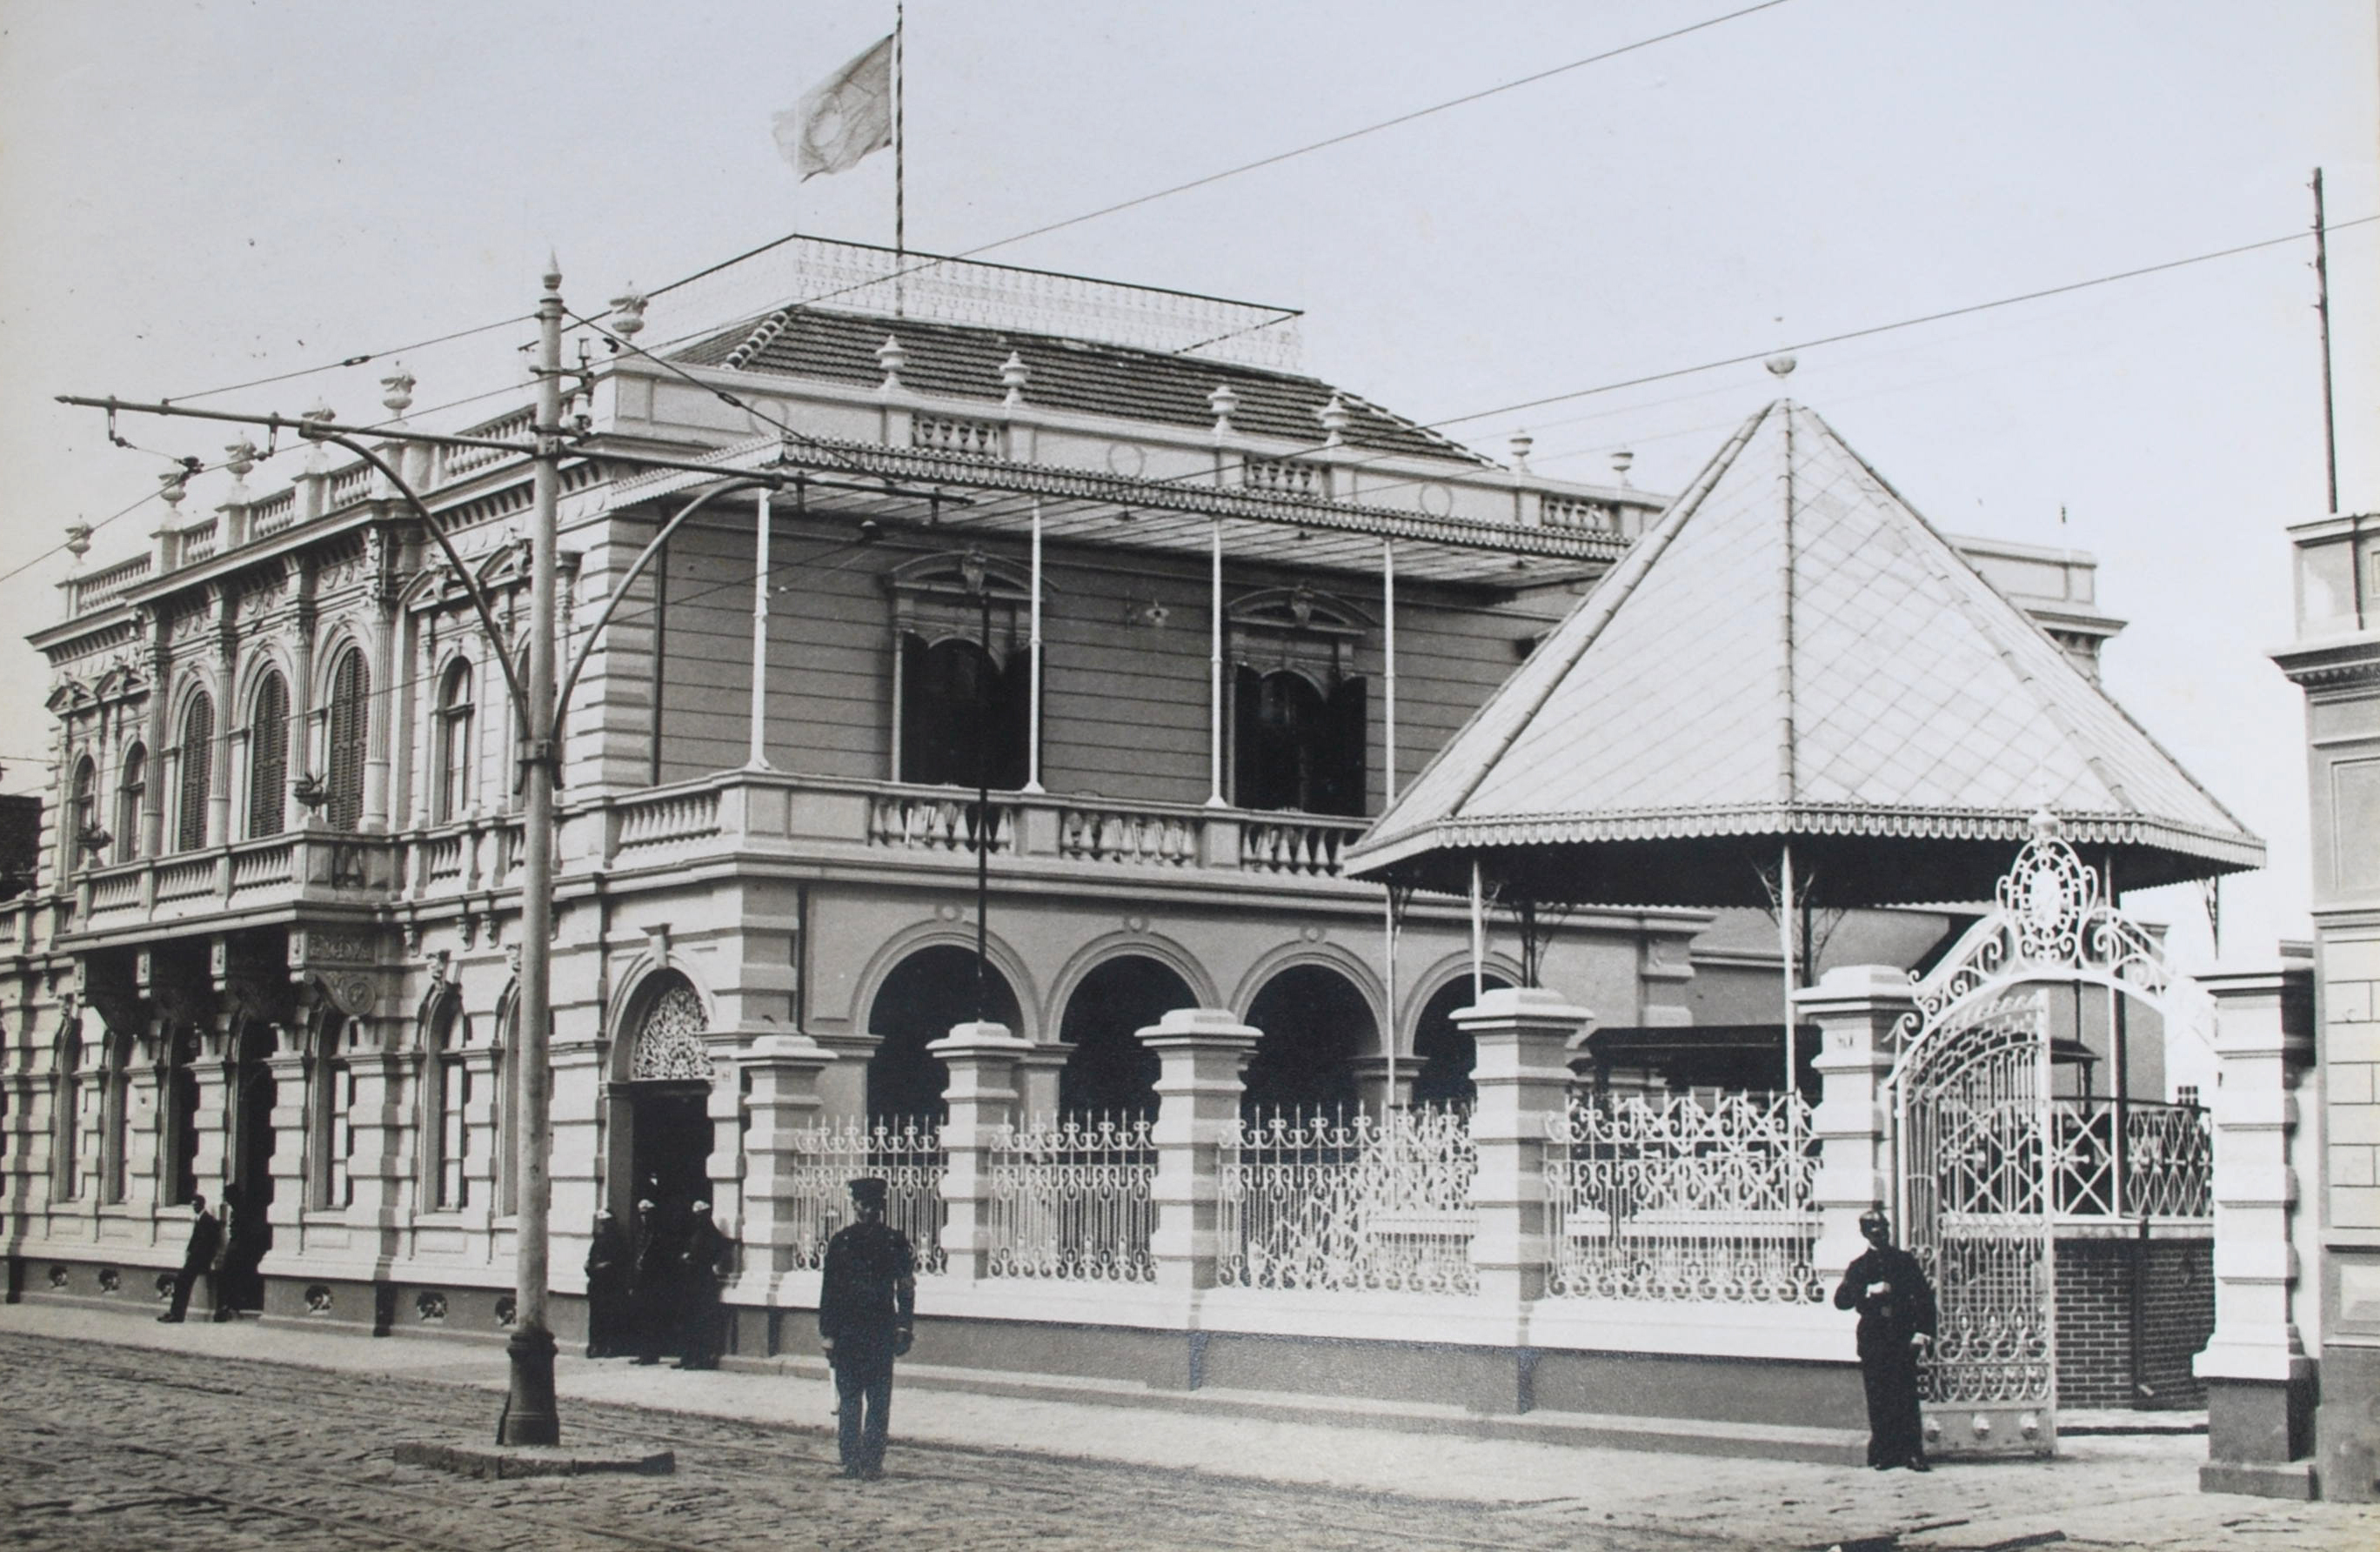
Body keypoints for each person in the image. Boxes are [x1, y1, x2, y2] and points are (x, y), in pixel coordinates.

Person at [819, 1176, 915, 1481]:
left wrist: (904, 1327)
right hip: (847, 1331)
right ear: (854, 1205)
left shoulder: (895, 1242)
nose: (869, 1211)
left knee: (878, 1399)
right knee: (849, 1398)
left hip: (880, 1329)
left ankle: (872, 1462)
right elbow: (830, 1290)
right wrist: (828, 1333)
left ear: (882, 1206)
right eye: (863, 1204)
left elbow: (906, 1288)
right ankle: (850, 1461)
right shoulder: (841, 1242)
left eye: (875, 1205)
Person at [1833, 1206, 1939, 1472]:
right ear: (1865, 1233)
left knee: (1905, 1396)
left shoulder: (1904, 1261)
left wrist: (1922, 1333)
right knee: (1879, 1397)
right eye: (1874, 1229)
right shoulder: (1859, 1267)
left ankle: (1913, 1453)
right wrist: (1866, 1291)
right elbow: (1841, 1301)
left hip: (1902, 1336)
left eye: (1884, 1228)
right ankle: (1886, 1452)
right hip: (1874, 1339)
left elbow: (1925, 1299)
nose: (1881, 1233)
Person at [675, 1201, 733, 1370]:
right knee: (688, 1321)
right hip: (691, 1281)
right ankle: (688, 1357)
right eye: (697, 1216)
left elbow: (715, 1255)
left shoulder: (712, 1235)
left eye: (702, 1216)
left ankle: (700, 1359)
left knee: (701, 1322)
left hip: (703, 1281)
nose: (699, 1219)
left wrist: (694, 1258)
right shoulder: (695, 1234)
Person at [157, 1194, 224, 1323]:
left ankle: (176, 1315)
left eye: (196, 1205)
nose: (194, 1208)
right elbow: (195, 1240)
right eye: (192, 1205)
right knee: (181, 1282)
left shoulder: (208, 1221)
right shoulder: (200, 1219)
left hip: (199, 1260)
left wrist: (205, 1258)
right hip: (194, 1259)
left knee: (182, 1282)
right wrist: (188, 1251)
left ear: (202, 1205)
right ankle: (175, 1314)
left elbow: (210, 1243)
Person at [629, 1197, 679, 1366]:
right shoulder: (640, 1234)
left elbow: (665, 1260)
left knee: (653, 1318)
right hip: (641, 1282)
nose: (644, 1217)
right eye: (642, 1214)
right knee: (641, 1317)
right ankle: (643, 1351)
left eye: (647, 1214)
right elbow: (634, 1257)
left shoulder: (659, 1234)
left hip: (654, 1283)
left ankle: (652, 1353)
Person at [584, 1208, 631, 1359]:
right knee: (596, 1316)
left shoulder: (617, 1240)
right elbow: (590, 1259)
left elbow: (619, 1262)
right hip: (597, 1283)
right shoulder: (597, 1241)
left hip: (611, 1284)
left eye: (605, 1223)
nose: (602, 1226)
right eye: (601, 1223)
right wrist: (589, 1267)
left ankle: (611, 1346)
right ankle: (596, 1345)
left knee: (611, 1315)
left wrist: (605, 1266)